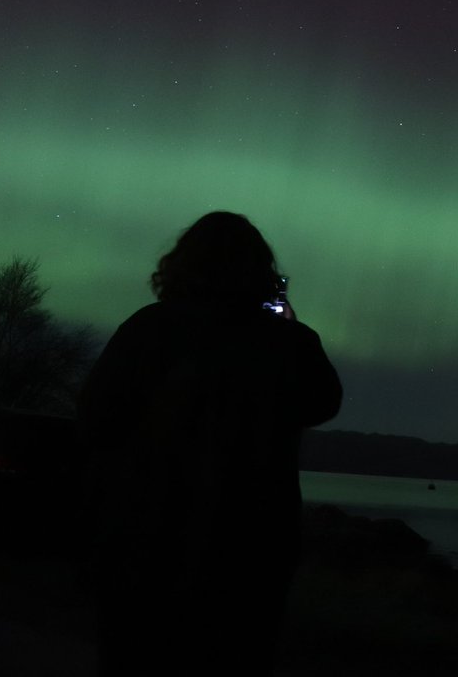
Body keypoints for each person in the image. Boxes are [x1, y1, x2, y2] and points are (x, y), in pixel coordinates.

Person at [77, 211, 341, 676]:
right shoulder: (288, 343)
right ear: (260, 272)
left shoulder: (147, 329)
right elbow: (321, 403)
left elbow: (97, 416)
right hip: (251, 544)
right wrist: (288, 326)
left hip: (144, 536)